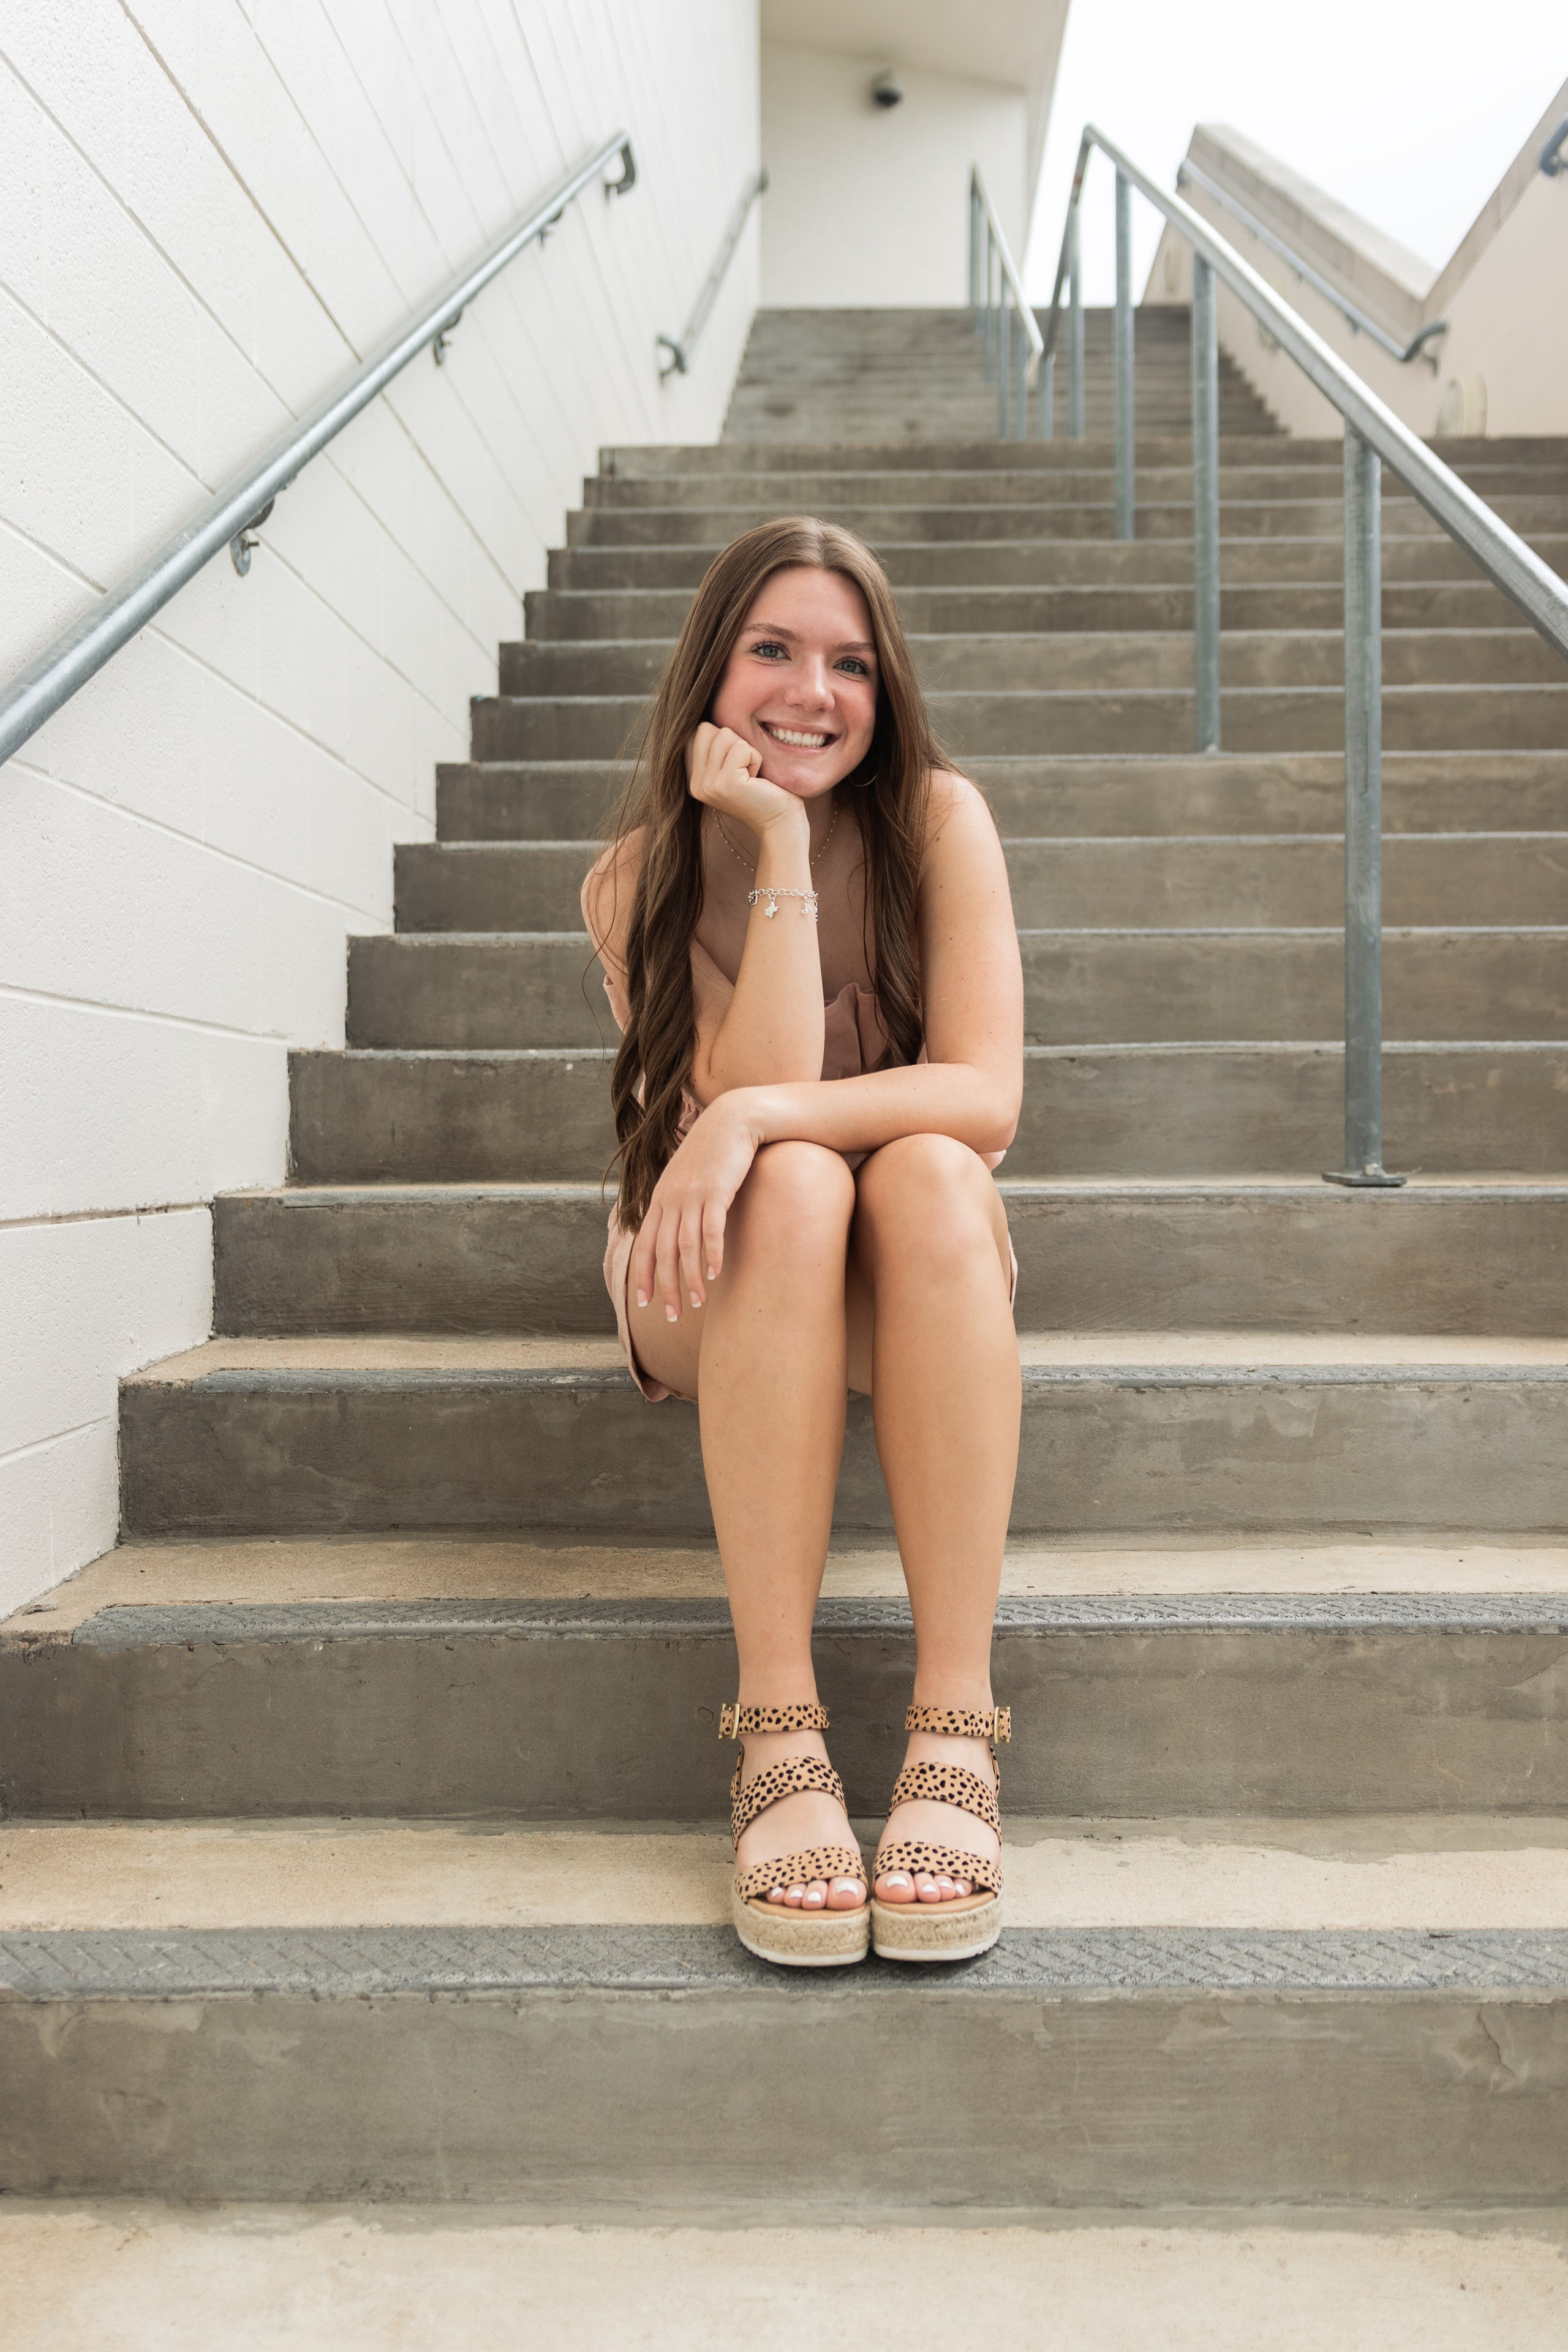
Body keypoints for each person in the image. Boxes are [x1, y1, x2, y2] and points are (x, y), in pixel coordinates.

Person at [582, 517, 1023, 1967]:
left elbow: (986, 1095)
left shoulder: (937, 823)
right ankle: (777, 1732)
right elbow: (750, 1150)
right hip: (708, 1277)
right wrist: (770, 837)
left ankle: (953, 1726)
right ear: (710, 669)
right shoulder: (630, 878)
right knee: (793, 1189)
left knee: (935, 1173)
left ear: (883, 691)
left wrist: (754, 1110)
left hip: (896, 1276)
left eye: (847, 663)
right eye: (770, 650)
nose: (809, 693)